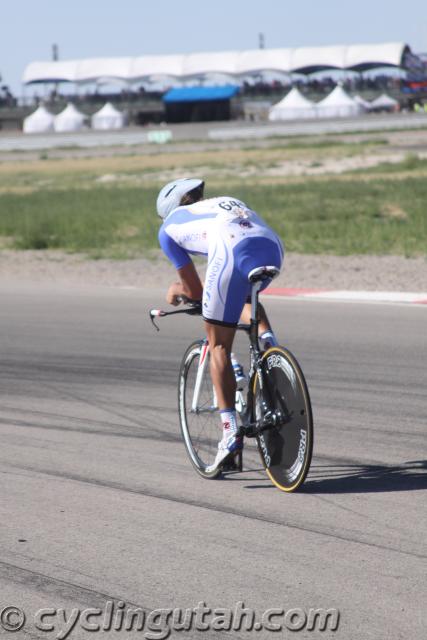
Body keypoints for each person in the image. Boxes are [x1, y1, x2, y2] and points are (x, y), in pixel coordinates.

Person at [157, 178, 284, 471]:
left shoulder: (167, 229)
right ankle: (270, 347)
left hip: (230, 249)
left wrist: (176, 290)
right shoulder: (221, 202)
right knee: (244, 294)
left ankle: (229, 434)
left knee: (219, 346)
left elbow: (194, 291)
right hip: (271, 246)